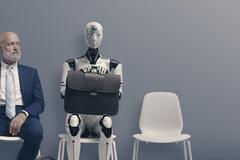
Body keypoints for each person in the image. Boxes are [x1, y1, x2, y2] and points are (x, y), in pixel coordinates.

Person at [60, 22, 123, 160]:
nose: (94, 38)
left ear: (102, 37)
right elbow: (63, 92)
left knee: (107, 122)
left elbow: (118, 94)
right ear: (85, 36)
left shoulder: (113, 65)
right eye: (90, 34)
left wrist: (105, 77)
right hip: (79, 115)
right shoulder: (72, 63)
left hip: (98, 118)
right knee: (73, 121)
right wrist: (81, 77)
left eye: (97, 34)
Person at [0, 32, 45, 160]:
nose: (15, 48)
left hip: (24, 113)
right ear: (1, 48)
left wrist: (23, 114)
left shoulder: (31, 73)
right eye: (10, 44)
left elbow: (39, 102)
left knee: (36, 132)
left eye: (17, 44)